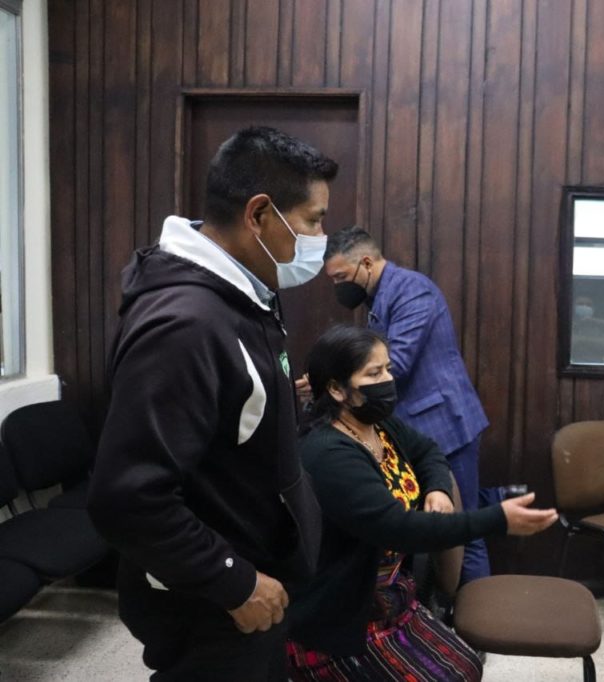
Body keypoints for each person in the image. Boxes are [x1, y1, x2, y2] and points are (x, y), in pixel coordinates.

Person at [87, 126, 337, 681]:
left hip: (255, 572)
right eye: (314, 220)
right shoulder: (187, 325)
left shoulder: (246, 293)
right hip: (213, 598)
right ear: (259, 215)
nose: (321, 238)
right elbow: (127, 497)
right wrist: (232, 580)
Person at [286, 325, 557, 681]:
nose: (388, 380)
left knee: (468, 665)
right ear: (337, 389)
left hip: (390, 600)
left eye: (388, 368)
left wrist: (438, 490)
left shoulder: (379, 425)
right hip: (342, 622)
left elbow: (428, 451)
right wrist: (498, 519)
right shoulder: (328, 454)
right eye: (374, 373)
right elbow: (401, 530)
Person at [315, 227, 493, 583]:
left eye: (341, 278)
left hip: (446, 425)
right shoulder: (380, 296)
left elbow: (397, 363)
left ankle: (474, 613)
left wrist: (340, 379)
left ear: (366, 263)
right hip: (420, 425)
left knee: (465, 531)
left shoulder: (411, 291)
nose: (338, 287)